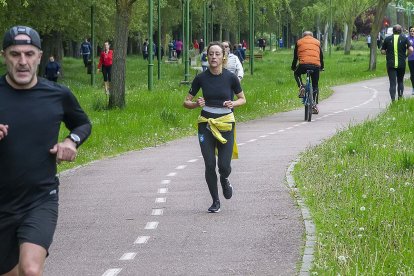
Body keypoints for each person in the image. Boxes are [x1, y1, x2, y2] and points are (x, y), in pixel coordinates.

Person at [0, 25, 91, 275]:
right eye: (15, 54)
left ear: (39, 56)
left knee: (30, 270)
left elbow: (83, 123)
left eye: (29, 54)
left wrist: (71, 141)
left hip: (40, 198)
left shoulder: (57, 94)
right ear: (4, 55)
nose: (22, 61)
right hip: (2, 203)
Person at [183, 41, 246, 213]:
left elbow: (243, 99)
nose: (214, 57)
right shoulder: (201, 78)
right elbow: (185, 102)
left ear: (223, 57)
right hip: (206, 124)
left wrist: (233, 102)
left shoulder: (230, 77)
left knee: (223, 166)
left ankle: (224, 179)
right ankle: (215, 201)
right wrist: (196, 104)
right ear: (207, 56)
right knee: (210, 164)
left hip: (226, 123)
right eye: (211, 54)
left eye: (217, 54)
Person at [291, 31, 324, 114]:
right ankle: (314, 106)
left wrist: (293, 67)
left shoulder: (299, 42)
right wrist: (321, 67)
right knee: (315, 85)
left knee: (296, 73)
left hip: (303, 65)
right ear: (312, 36)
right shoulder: (317, 42)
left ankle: (301, 86)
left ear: (303, 36)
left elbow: (295, 57)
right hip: (316, 66)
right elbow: (321, 56)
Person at [381, 24, 413, 101]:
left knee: (392, 82)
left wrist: (387, 53)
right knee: (400, 81)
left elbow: (382, 51)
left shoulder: (387, 39)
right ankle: (400, 97)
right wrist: (406, 55)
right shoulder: (404, 38)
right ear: (401, 31)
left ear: (393, 31)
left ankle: (393, 100)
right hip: (401, 63)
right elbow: (411, 49)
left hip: (391, 64)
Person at [407, 26, 414, 95]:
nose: (412, 32)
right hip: (411, 59)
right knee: (412, 74)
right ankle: (413, 87)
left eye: (413, 31)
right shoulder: (407, 39)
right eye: (411, 31)